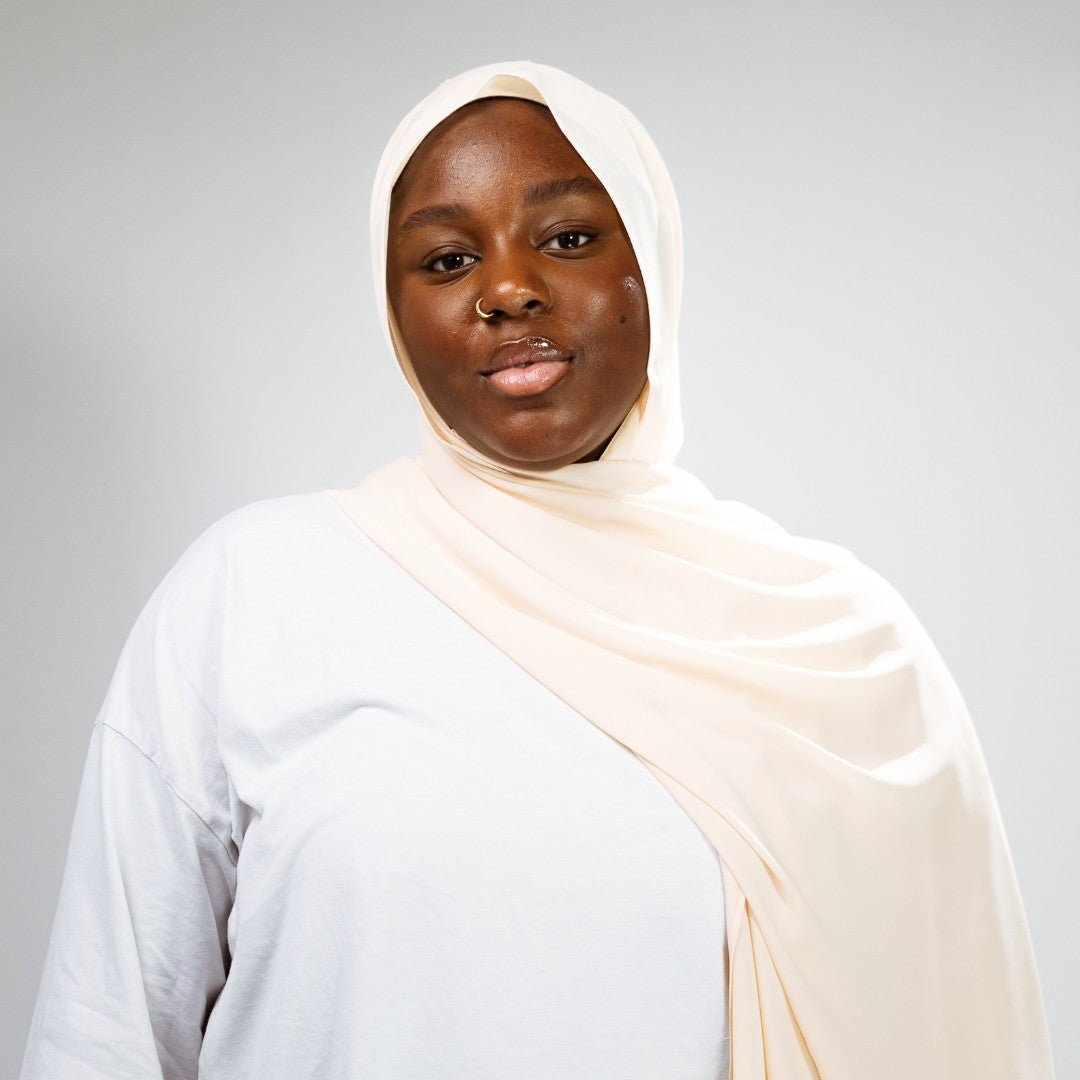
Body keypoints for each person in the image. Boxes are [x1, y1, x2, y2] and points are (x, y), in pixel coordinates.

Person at [20, 61, 1053, 1080]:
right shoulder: (257, 593)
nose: (508, 290)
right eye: (445, 260)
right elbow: (104, 1034)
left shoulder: (837, 649)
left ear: (651, 260)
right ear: (394, 312)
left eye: (567, 238)